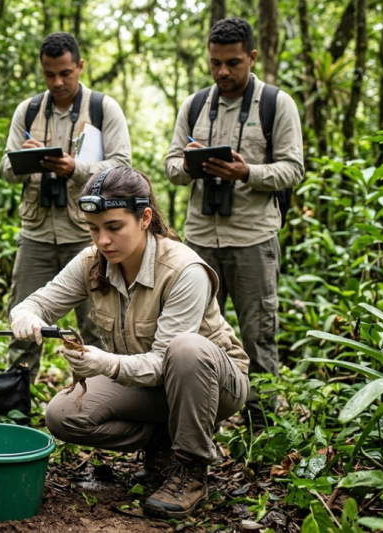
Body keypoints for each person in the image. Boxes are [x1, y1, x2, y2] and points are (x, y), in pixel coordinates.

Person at [9, 167, 250, 518]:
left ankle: (191, 469)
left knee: (186, 349)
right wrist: (26, 315)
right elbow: (38, 303)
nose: (103, 240)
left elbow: (164, 361)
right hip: (147, 382)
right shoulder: (93, 261)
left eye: (114, 227)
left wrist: (105, 363)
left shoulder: (184, 270)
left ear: (144, 218)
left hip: (213, 385)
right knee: (63, 415)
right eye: (93, 229)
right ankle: (163, 441)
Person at [165, 18, 304, 425]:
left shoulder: (276, 104)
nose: (223, 71)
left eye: (233, 63)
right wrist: (191, 164)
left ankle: (261, 427)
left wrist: (246, 173)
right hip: (200, 240)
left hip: (252, 239)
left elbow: (293, 169)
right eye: (215, 63)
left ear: (252, 57)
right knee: (193, 334)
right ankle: (200, 420)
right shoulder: (194, 105)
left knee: (258, 335)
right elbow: (171, 165)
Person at [1, 32, 132, 381]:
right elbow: (6, 169)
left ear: (80, 66)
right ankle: (16, 401)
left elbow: (122, 166)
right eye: (49, 74)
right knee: (24, 326)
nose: (57, 82)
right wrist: (26, 159)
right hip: (37, 235)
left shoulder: (103, 109)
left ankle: (103, 401)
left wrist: (76, 169)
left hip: (88, 236)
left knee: (97, 327)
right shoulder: (28, 111)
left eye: (65, 73)